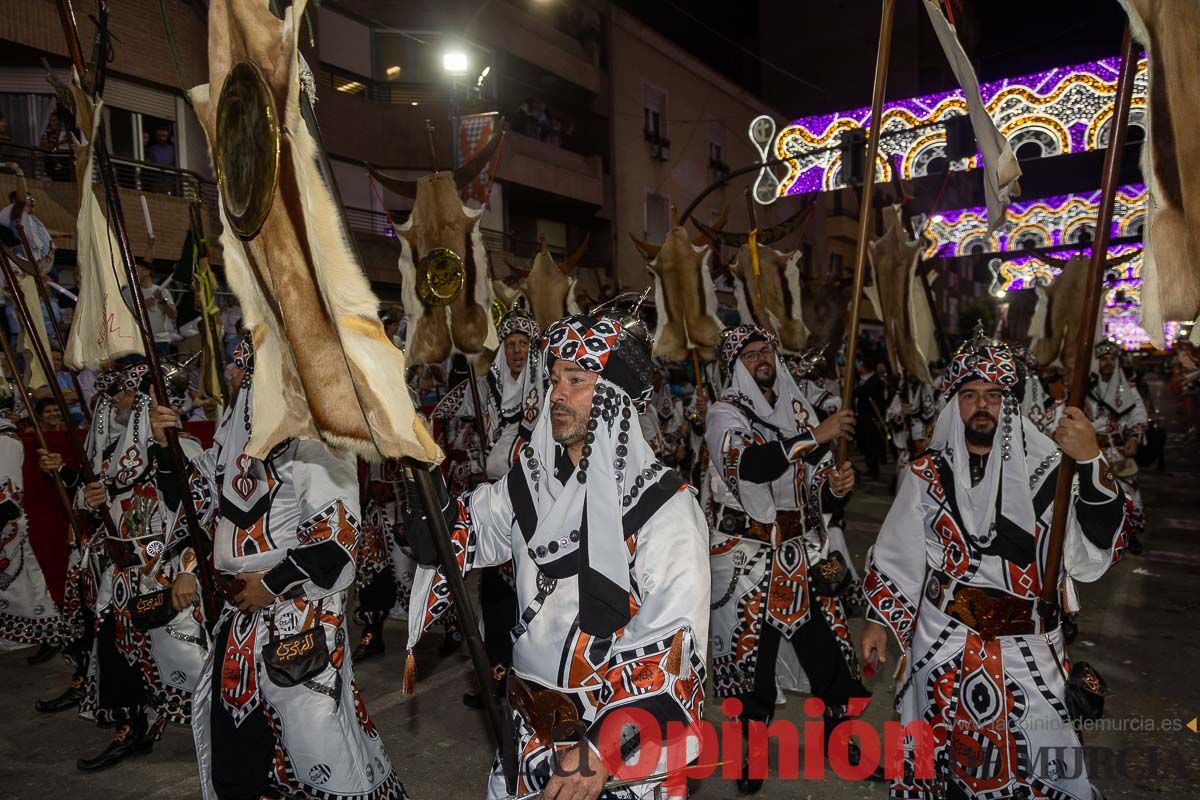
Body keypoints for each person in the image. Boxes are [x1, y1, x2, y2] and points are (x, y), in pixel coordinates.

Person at [404, 310, 710, 800]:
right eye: (553, 379)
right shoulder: (529, 483)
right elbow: (453, 535)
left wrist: (601, 752)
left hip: (609, 756)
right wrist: (418, 468)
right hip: (526, 739)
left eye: (577, 380)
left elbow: (671, 649)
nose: (557, 394)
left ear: (614, 399)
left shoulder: (665, 507)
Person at [860, 328, 1133, 799]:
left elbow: (1104, 538)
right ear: (955, 404)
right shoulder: (928, 472)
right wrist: (878, 624)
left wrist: (1090, 460)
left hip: (1028, 645)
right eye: (969, 395)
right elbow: (897, 551)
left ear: (1009, 402)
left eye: (992, 394)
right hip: (943, 638)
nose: (981, 405)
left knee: (1048, 759)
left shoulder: (1054, 470)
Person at [151, 338, 405, 800]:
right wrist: (166, 448)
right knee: (234, 746)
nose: (230, 373)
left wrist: (271, 584)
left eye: (241, 367)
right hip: (241, 619)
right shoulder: (236, 433)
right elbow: (199, 503)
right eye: (235, 366)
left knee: (314, 748)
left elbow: (335, 537)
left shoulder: (315, 432)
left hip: (298, 614)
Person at [704, 324, 870, 794]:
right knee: (751, 665)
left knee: (832, 655)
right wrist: (817, 434)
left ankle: (844, 743)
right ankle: (750, 756)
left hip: (800, 557)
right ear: (737, 365)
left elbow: (809, 486)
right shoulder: (724, 414)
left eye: (767, 351)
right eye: (751, 353)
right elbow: (751, 464)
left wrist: (833, 490)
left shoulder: (797, 409)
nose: (762, 358)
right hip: (747, 561)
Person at [34, 369, 120, 714]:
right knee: (85, 620)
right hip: (93, 547)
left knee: (113, 630)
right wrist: (64, 471)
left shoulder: (153, 444)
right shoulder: (102, 442)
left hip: (133, 553)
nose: (107, 407)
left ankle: (126, 713)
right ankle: (84, 681)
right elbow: (91, 486)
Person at [0, 381, 69, 660]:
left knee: (25, 588)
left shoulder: (5, 439)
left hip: (7, 524)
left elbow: (8, 492)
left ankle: (51, 634)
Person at [1087, 339, 1148, 551]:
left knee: (1128, 492)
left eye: (1112, 358)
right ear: (1097, 362)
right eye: (1103, 359)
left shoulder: (1128, 388)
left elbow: (1138, 415)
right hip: (1092, 450)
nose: (1107, 363)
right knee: (1094, 493)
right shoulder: (1086, 388)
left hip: (1119, 450)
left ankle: (1129, 536)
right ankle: (1096, 536)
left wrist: (1133, 438)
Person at [884, 374, 936, 491]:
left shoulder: (926, 388)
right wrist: (902, 413)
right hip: (907, 443)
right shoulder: (902, 392)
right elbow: (891, 414)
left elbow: (931, 414)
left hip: (922, 438)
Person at [855, 359, 887, 480]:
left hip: (871, 418)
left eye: (860, 365)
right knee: (866, 445)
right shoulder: (861, 380)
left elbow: (873, 398)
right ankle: (870, 467)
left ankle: (874, 470)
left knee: (872, 445)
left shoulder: (875, 381)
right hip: (862, 418)